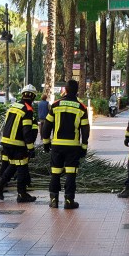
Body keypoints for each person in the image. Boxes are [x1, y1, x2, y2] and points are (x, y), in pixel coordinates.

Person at [41, 79, 89, 210]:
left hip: (57, 145)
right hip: (73, 147)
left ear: (65, 90)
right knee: (71, 173)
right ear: (77, 90)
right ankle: (69, 201)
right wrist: (84, 146)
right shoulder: (81, 107)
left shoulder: (55, 105)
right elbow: (85, 129)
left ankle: (54, 200)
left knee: (55, 173)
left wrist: (46, 142)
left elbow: (47, 126)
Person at [0, 84, 39, 203]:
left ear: (23, 95)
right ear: (33, 97)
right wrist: (31, 148)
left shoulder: (13, 106)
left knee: (13, 166)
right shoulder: (27, 110)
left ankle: (2, 186)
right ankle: (19, 194)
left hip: (6, 141)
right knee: (22, 168)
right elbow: (26, 131)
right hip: (17, 143)